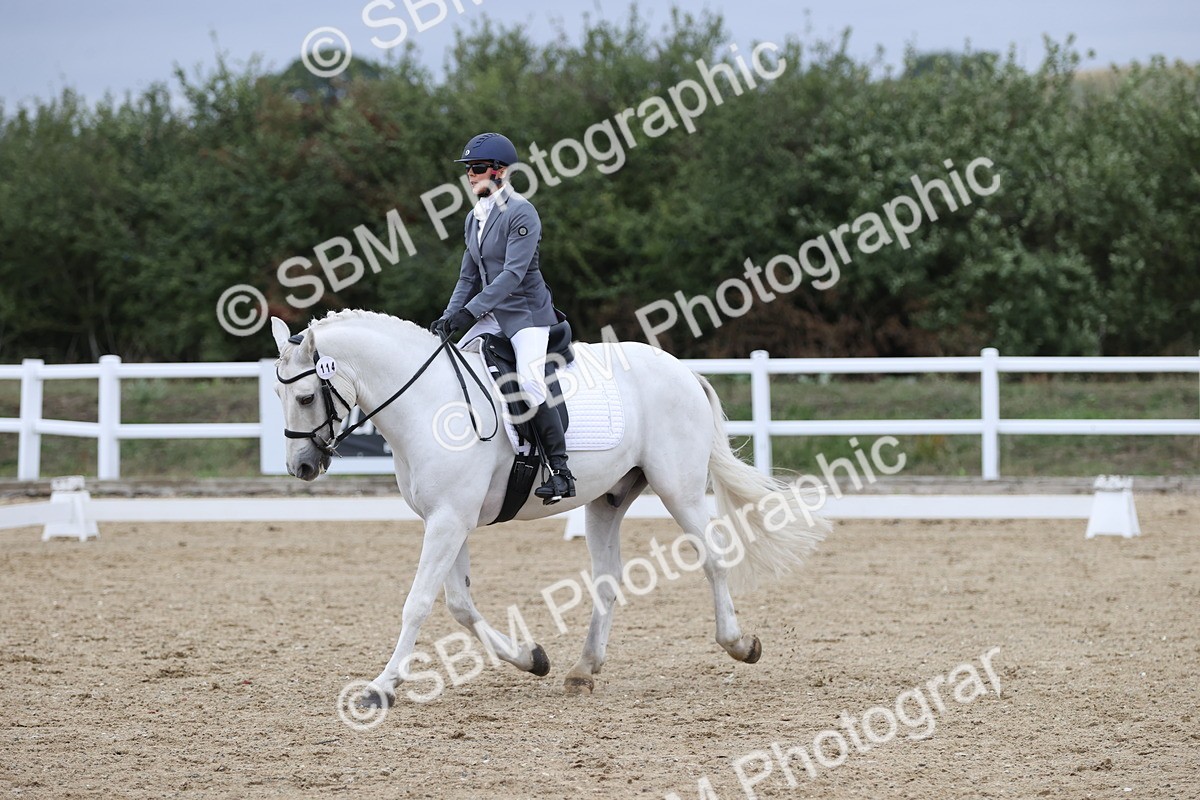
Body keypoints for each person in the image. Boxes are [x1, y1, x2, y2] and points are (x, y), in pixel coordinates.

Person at [430, 132, 576, 504]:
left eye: (476, 168)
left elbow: (512, 275)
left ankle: (560, 471)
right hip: (491, 312)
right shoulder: (474, 218)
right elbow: (468, 276)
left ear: (500, 172)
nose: (470, 175)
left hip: (526, 313)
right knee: (444, 360)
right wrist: (450, 318)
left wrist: (470, 312)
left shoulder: (522, 212)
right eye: (468, 169)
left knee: (528, 383)